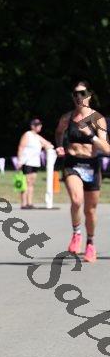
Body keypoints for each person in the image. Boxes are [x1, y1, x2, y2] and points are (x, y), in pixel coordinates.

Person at [55, 80, 110, 262]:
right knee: (77, 200)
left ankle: (90, 243)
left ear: (89, 96)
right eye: (76, 94)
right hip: (72, 163)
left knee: (90, 211)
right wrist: (59, 146)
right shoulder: (67, 117)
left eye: (83, 93)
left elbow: (107, 149)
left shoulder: (97, 119)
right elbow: (59, 132)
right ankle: (76, 233)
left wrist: (91, 135)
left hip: (91, 165)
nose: (79, 97)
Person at [17, 118, 53, 208]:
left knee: (31, 183)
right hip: (27, 161)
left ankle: (30, 203)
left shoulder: (37, 137)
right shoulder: (27, 134)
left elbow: (48, 144)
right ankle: (24, 203)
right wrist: (19, 161)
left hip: (35, 163)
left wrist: (46, 145)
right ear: (32, 126)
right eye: (37, 125)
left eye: (40, 125)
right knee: (26, 182)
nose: (40, 127)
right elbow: (21, 147)